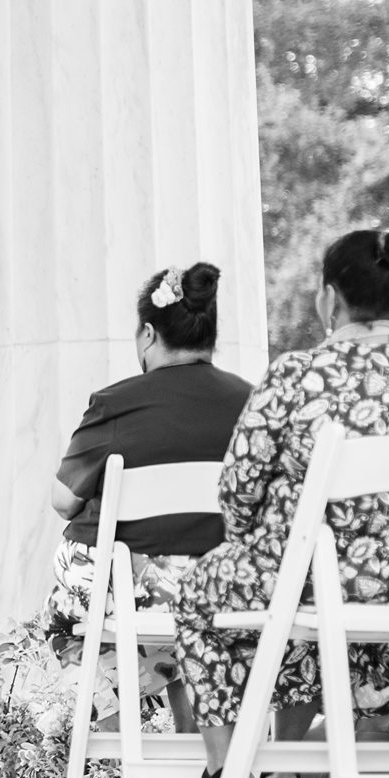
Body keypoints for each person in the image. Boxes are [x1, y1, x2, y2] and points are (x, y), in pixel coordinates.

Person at [169, 229, 389, 778]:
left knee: (207, 593)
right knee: (300, 611)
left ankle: (224, 776)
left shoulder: (297, 376)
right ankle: (283, 769)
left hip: (313, 578)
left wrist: (259, 538)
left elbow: (236, 492)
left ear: (330, 300)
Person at [44, 263, 252, 738]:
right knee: (171, 622)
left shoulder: (116, 403)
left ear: (148, 333)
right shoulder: (251, 401)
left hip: (141, 590)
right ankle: (191, 737)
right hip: (228, 586)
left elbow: (62, 500)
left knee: (63, 613)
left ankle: (123, 738)